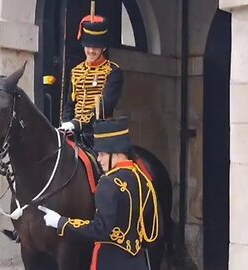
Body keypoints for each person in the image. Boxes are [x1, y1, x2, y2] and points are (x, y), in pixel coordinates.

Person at [39, 117, 159, 270]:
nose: (99, 159)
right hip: (138, 262)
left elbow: (100, 229)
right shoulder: (142, 178)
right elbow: (152, 229)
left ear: (115, 153)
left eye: (102, 154)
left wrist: (61, 222)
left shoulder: (108, 183)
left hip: (110, 262)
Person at [60, 13, 124, 146]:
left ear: (103, 47)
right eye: (88, 46)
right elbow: (69, 104)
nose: (90, 50)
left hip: (98, 133)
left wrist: (77, 123)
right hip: (74, 132)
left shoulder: (113, 71)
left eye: (95, 47)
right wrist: (66, 124)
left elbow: (105, 105)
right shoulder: (76, 71)